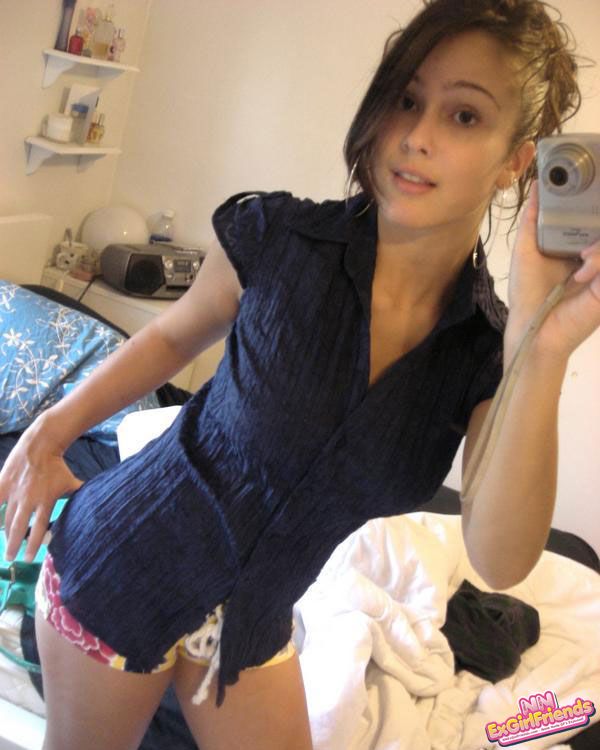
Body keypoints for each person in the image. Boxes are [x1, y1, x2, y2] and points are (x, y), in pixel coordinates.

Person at [2, 0, 600, 748]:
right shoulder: (278, 237)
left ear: (518, 160)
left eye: (464, 116)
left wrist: (541, 349)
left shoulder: (485, 353)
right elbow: (167, 339)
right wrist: (49, 432)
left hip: (251, 618)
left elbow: (501, 558)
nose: (414, 137)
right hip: (123, 565)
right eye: (405, 100)